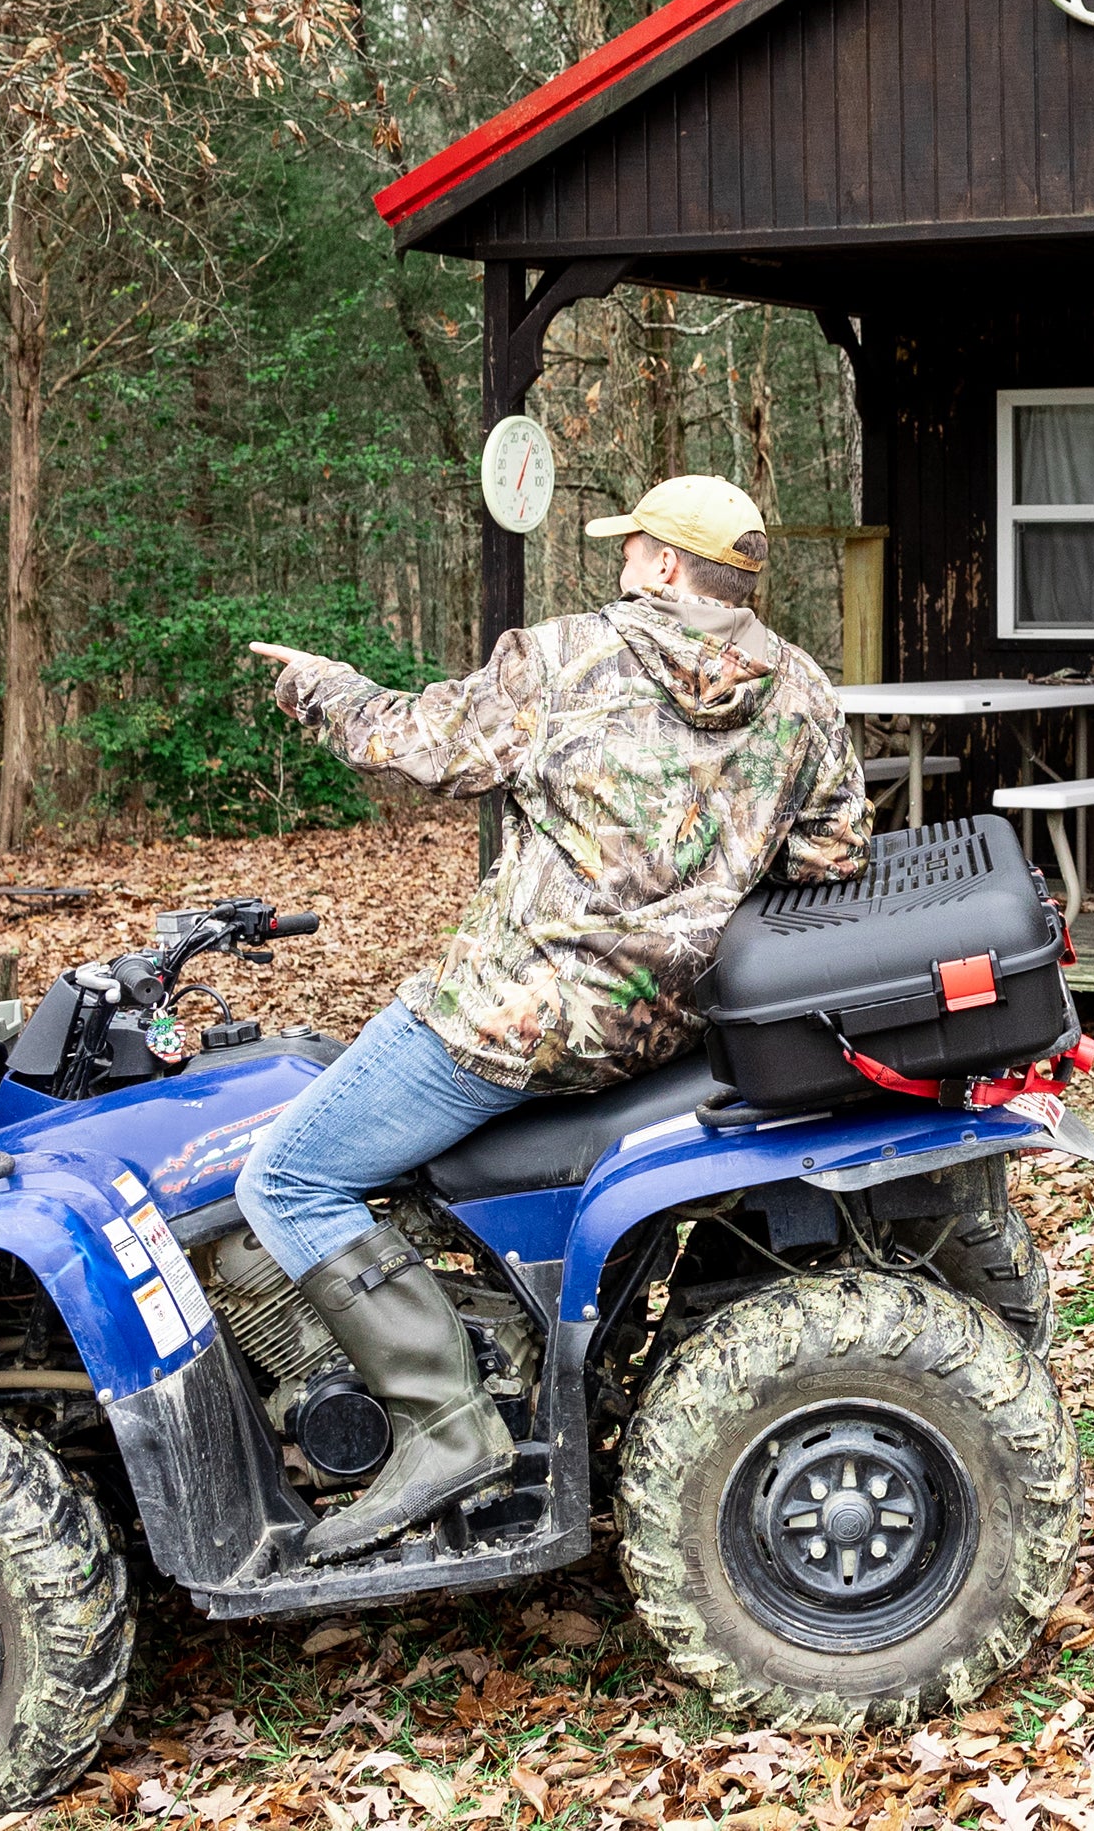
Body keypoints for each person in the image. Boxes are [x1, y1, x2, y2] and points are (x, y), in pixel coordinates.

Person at [238, 474, 868, 1563]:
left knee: (285, 1178)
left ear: (668, 566)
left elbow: (413, 747)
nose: (621, 565)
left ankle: (443, 1428)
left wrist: (321, 686)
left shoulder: (567, 657)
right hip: (666, 1022)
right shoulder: (802, 687)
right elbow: (833, 857)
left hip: (515, 1018)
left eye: (633, 550)